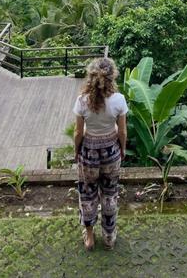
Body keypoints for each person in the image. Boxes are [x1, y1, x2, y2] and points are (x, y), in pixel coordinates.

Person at [73, 57, 128, 251]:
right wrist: (122, 149)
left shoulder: (82, 101)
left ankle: (89, 238)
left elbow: (78, 132)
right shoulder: (119, 100)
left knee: (88, 194)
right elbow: (122, 132)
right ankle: (108, 236)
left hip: (89, 153)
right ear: (112, 77)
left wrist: (76, 151)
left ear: (91, 77)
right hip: (111, 152)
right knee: (109, 193)